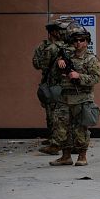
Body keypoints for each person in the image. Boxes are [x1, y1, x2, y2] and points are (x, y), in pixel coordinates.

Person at [48, 25, 100, 166]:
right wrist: (58, 64)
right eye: (76, 40)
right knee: (62, 127)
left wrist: (79, 76)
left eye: (82, 40)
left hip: (82, 98)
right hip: (65, 97)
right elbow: (54, 76)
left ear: (87, 42)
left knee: (80, 129)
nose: (78, 43)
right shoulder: (66, 57)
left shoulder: (91, 59)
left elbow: (95, 78)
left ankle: (82, 156)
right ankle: (65, 156)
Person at [32, 18, 71, 155]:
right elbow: (37, 64)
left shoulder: (68, 45)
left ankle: (61, 143)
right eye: (61, 30)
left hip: (65, 84)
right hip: (52, 83)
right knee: (51, 113)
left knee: (62, 114)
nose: (64, 32)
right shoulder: (44, 47)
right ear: (53, 31)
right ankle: (54, 139)